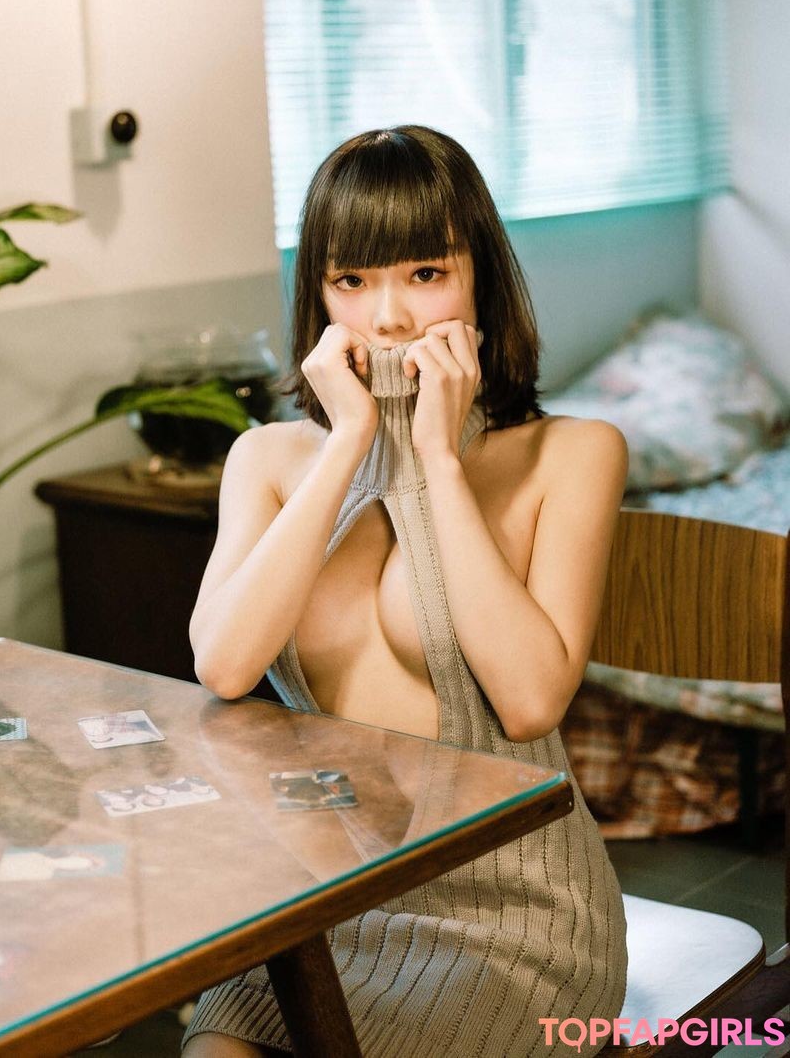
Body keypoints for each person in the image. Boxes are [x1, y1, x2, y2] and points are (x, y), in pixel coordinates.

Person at [183, 126, 629, 1058]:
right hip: (324, 901)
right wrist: (348, 443)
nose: (387, 317)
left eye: (425, 272)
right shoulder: (267, 460)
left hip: (515, 915)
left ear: (480, 280)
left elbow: (531, 699)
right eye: (351, 280)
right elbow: (224, 665)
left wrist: (433, 457)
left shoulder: (571, 454)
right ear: (317, 296)